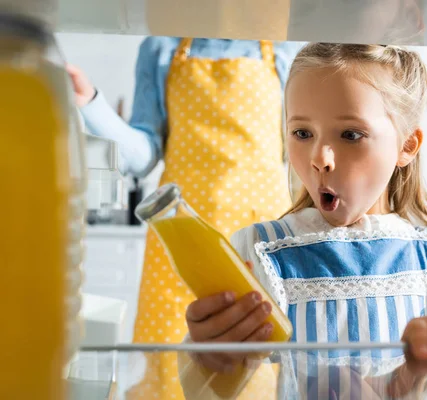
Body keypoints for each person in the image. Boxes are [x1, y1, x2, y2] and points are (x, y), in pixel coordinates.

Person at [178, 43, 427, 399]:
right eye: (302, 133)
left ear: (407, 145)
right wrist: (207, 357)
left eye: (350, 135)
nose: (320, 158)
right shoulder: (260, 252)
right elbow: (203, 391)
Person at [69, 37, 305, 400]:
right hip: (177, 245)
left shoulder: (283, 49)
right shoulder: (160, 48)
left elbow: (299, 147)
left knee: (253, 366)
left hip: (256, 243)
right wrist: (91, 104)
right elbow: (143, 154)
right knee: (168, 368)